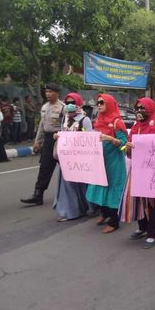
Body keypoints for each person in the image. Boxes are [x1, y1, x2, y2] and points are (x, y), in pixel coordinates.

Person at [120, 97, 155, 248]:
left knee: (153, 202)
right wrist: (128, 147)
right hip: (137, 170)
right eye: (138, 108)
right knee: (136, 199)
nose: (140, 111)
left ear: (151, 109)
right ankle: (142, 227)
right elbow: (129, 150)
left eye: (143, 108)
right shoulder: (135, 127)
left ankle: (151, 235)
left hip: (153, 171)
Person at [86, 94, 127, 234]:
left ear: (109, 104)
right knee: (99, 185)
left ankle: (114, 221)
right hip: (100, 160)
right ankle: (104, 213)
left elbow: (123, 143)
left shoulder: (117, 122)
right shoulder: (98, 120)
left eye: (102, 102)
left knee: (112, 189)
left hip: (114, 162)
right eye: (98, 102)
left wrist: (110, 138)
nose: (99, 104)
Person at [21, 84, 64, 205]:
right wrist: (37, 141)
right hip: (48, 139)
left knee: (67, 168)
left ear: (57, 93)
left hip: (61, 139)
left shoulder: (63, 107)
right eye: (46, 92)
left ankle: (73, 193)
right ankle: (38, 194)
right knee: (44, 167)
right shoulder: (44, 107)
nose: (48, 94)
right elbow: (41, 125)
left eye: (50, 92)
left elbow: (67, 125)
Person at [53, 93, 93, 222]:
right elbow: (63, 133)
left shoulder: (84, 120)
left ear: (79, 104)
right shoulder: (65, 118)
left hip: (79, 159)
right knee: (67, 185)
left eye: (73, 102)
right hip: (66, 158)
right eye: (68, 102)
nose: (70, 104)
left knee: (81, 185)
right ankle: (70, 211)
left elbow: (89, 138)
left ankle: (84, 207)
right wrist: (58, 136)